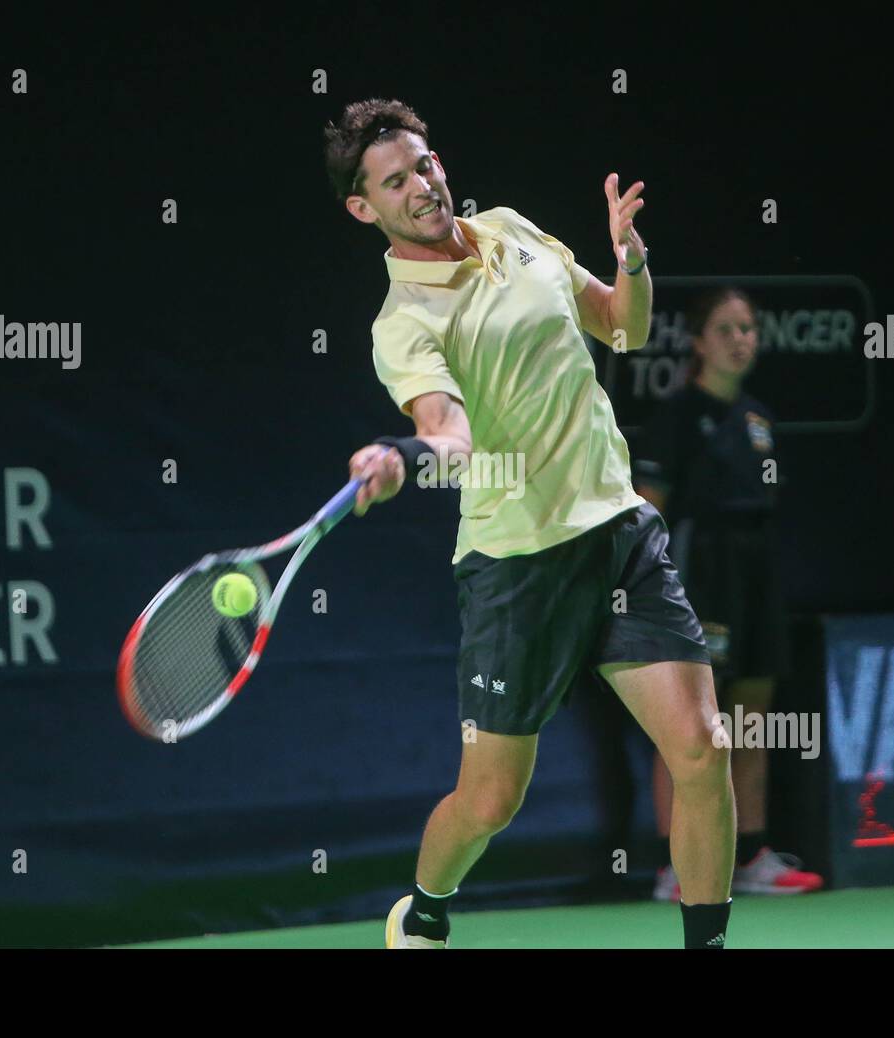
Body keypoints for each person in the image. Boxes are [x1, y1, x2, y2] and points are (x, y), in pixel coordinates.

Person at [323, 98, 736, 948]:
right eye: (394, 182)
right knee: (490, 801)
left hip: (619, 530)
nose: (421, 186)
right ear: (364, 209)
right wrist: (405, 457)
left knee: (701, 748)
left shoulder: (511, 228)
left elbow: (622, 326)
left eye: (424, 164)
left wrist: (633, 261)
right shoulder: (404, 322)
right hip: (517, 565)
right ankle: (427, 906)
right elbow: (451, 433)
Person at [634, 287, 823, 897]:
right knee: (691, 723)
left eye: (748, 328)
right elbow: (648, 511)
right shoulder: (677, 415)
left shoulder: (759, 419)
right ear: (698, 342)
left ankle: (750, 856)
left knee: (752, 718)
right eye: (726, 329)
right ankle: (676, 865)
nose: (741, 339)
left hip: (756, 571)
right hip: (697, 570)